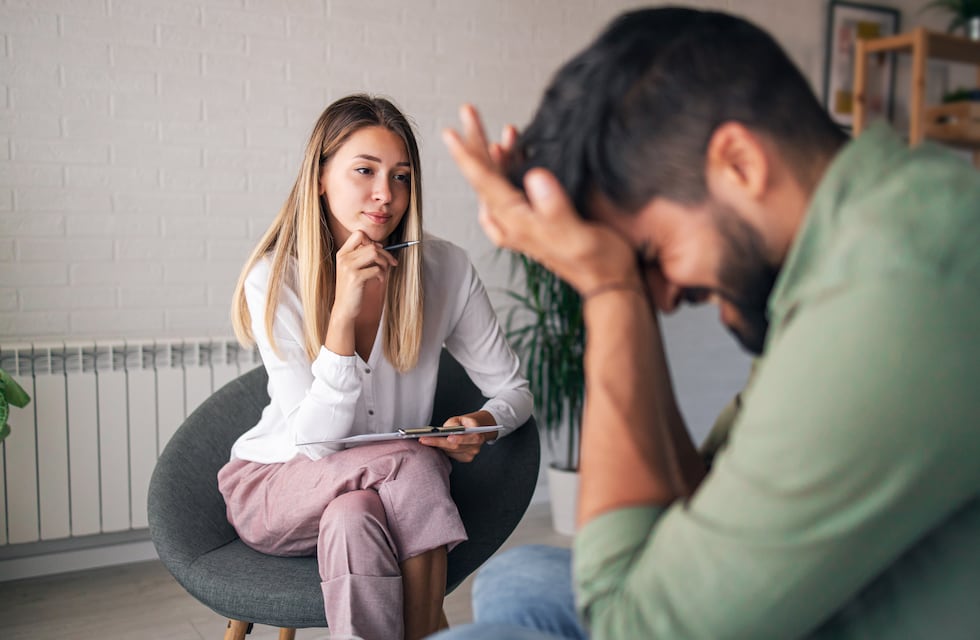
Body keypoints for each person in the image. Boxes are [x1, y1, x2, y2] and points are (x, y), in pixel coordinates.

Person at [433, 7, 980, 640]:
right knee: (518, 574)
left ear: (740, 163)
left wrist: (609, 292)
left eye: (648, 258)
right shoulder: (865, 232)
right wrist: (620, 285)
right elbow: (698, 497)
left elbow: (628, 626)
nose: (662, 301)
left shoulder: (895, 291)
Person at [218, 94, 533, 640]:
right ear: (320, 177)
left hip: (377, 498)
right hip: (276, 485)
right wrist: (343, 315)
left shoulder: (445, 268)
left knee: (354, 515)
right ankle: (430, 632)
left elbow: (514, 391)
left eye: (402, 176)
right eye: (364, 170)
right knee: (411, 463)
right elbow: (315, 445)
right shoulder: (275, 277)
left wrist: (481, 423)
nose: (385, 194)